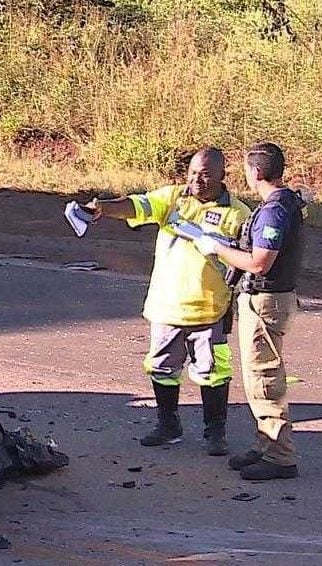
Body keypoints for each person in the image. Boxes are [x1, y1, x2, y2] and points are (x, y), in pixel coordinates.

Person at [76, 148, 250, 455]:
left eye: (206, 174)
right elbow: (136, 205)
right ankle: (168, 425)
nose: (197, 179)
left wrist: (235, 300)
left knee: (213, 373)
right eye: (193, 172)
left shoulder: (238, 214)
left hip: (209, 311)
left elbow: (247, 260)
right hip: (166, 308)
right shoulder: (173, 199)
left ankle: (215, 432)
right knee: (162, 369)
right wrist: (101, 207)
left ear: (224, 176)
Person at [195, 142, 305, 480]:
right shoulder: (285, 202)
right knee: (258, 377)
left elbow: (259, 262)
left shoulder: (273, 210)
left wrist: (217, 248)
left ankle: (280, 456)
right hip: (270, 300)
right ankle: (264, 445)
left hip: (265, 302)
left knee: (264, 379)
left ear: (255, 172)